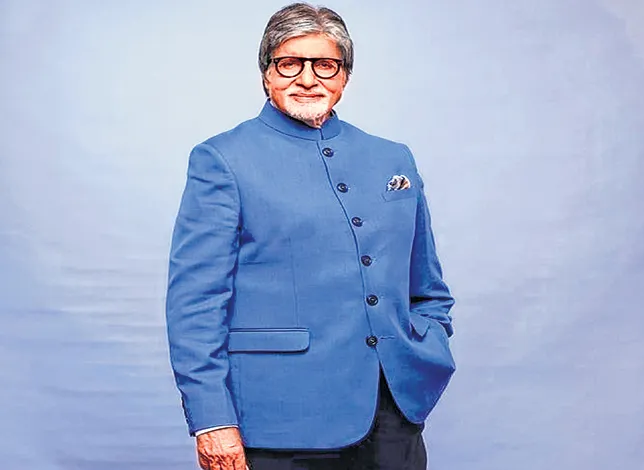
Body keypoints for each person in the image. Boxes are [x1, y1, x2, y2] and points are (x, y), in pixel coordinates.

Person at [166, 3, 455, 469]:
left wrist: (431, 341)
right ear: (266, 73)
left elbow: (427, 285)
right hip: (280, 417)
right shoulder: (222, 160)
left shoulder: (393, 159)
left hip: (393, 415)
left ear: (344, 76)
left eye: (324, 64)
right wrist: (211, 419)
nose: (307, 78)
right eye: (289, 63)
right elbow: (195, 305)